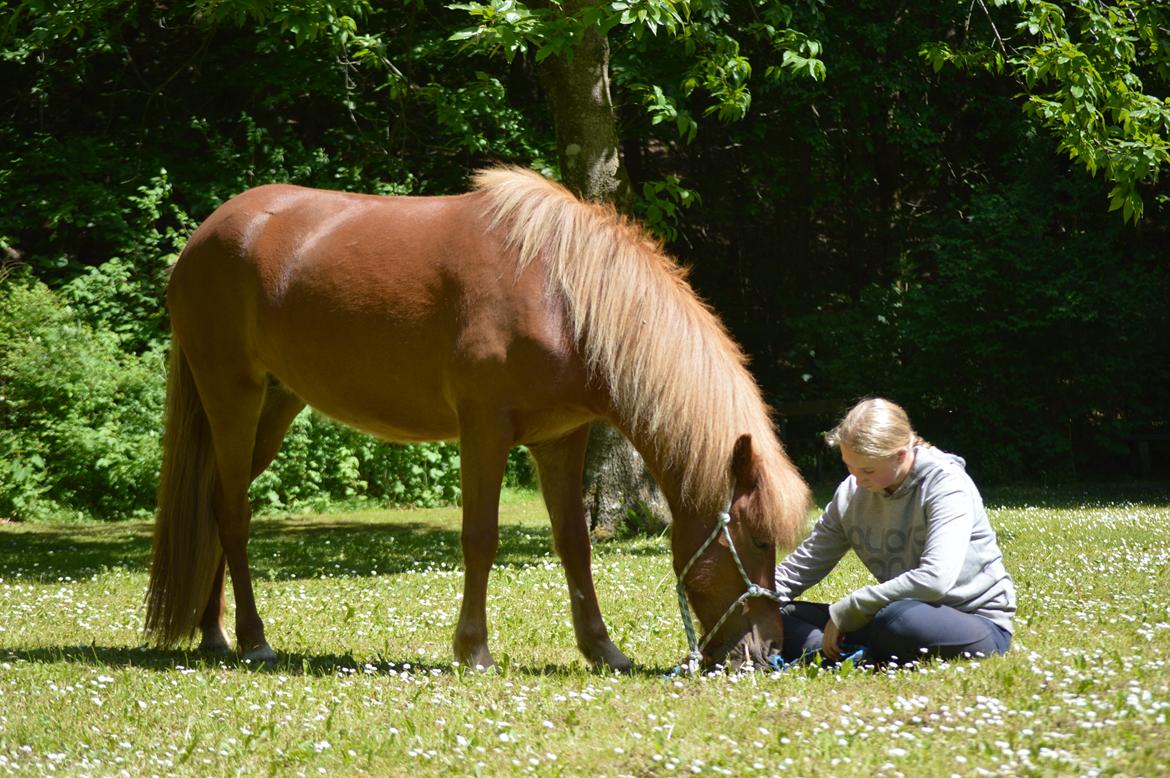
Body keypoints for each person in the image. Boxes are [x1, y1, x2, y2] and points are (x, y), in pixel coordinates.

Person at [774, 398, 1015, 665]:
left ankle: (845, 654)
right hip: (890, 615)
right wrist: (751, 598)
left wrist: (853, 606)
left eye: (867, 470)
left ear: (902, 455)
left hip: (972, 620)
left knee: (896, 621)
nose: (856, 479)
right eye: (849, 466)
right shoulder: (851, 493)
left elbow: (935, 580)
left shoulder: (947, 485)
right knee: (779, 614)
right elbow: (803, 565)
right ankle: (838, 656)